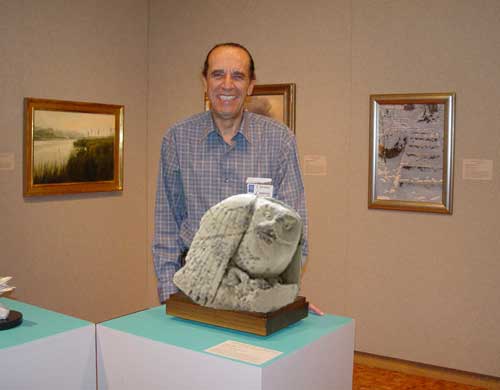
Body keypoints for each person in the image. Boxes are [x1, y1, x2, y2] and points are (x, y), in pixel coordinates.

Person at [152, 42, 309, 306]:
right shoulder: (177, 139)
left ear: (250, 85)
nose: (227, 84)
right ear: (205, 82)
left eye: (237, 76)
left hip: (256, 291)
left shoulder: (279, 141)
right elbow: (166, 229)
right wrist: (171, 297)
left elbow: (294, 234)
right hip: (193, 290)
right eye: (217, 74)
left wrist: (277, 298)